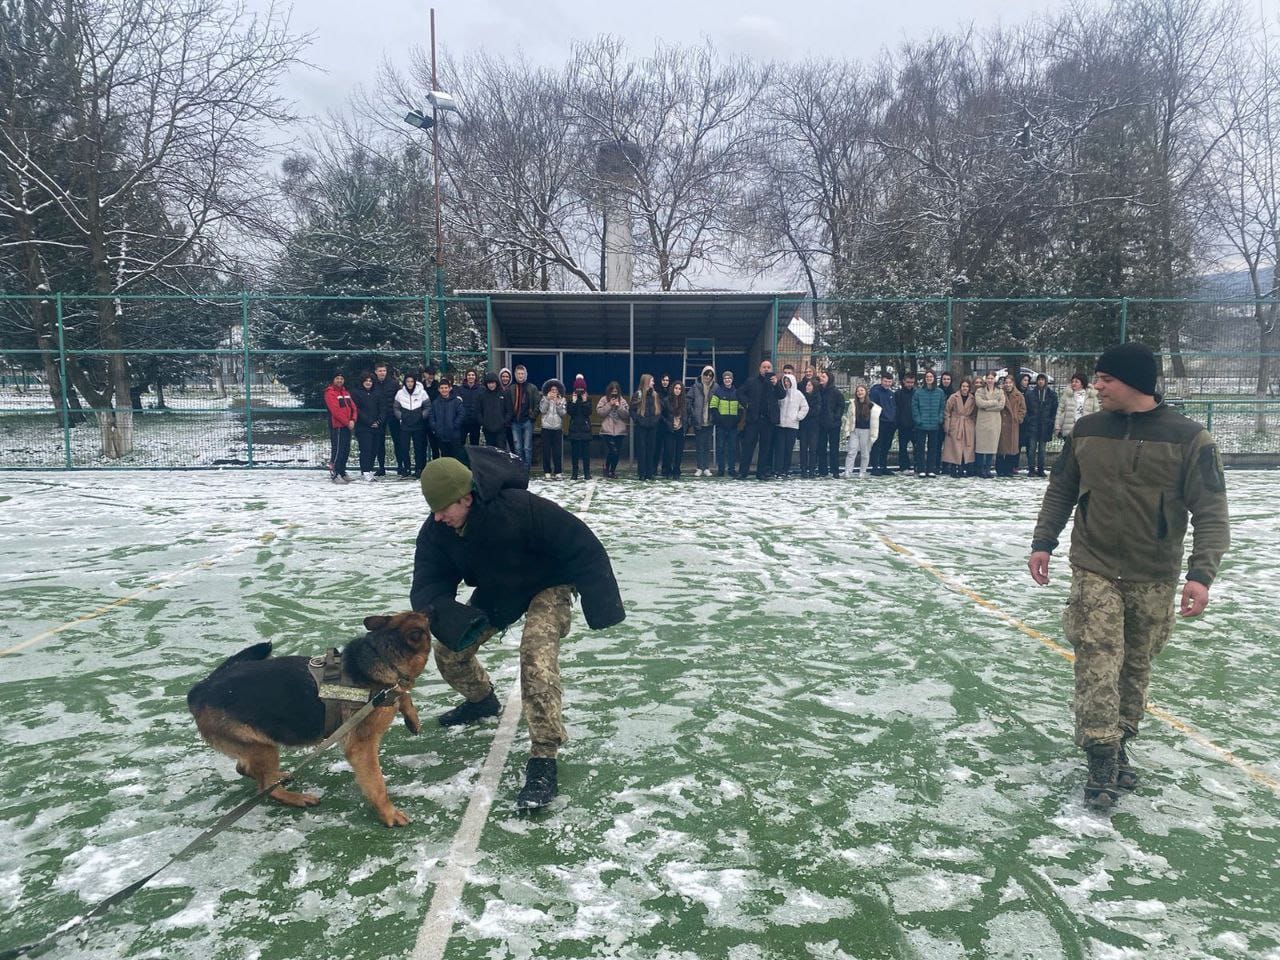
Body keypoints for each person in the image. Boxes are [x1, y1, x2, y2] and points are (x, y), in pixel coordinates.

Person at [1028, 342, 1230, 811]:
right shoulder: (1087, 430)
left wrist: (1201, 574)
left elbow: (1212, 511)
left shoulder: (1190, 438)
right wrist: (1043, 541)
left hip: (1153, 573)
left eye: (1106, 379)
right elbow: (1061, 489)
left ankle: (1120, 740)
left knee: (1135, 665)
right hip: (1094, 565)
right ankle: (1100, 755)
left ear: (1134, 382)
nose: (1096, 386)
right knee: (1097, 658)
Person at [412, 448, 626, 810]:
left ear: (466, 498)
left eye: (443, 508)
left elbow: (582, 543)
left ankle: (544, 759)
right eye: (433, 509)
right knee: (448, 651)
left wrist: (602, 604)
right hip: (501, 592)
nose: (437, 517)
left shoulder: (519, 507)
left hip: (549, 583)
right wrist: (449, 615)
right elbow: (428, 583)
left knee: (535, 657)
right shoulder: (437, 532)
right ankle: (482, 701)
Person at [738, 359, 785, 480]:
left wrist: (776, 384)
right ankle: (743, 472)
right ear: (760, 369)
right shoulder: (751, 381)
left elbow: (782, 395)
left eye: (768, 367)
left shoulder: (775, 383)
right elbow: (740, 393)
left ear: (771, 369)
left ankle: (761, 473)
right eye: (764, 367)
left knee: (765, 448)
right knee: (748, 446)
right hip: (753, 420)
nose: (766, 369)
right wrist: (747, 404)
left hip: (768, 421)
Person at [394, 373, 431, 478]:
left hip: (418, 424)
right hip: (405, 425)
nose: (410, 384)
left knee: (419, 448)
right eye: (408, 381)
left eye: (411, 381)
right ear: (405, 382)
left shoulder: (422, 392)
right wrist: (401, 417)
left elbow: (428, 407)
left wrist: (421, 416)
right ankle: (407, 468)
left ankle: (419, 469)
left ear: (415, 382)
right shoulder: (399, 393)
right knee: (404, 447)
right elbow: (396, 408)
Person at [775, 372, 809, 479]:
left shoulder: (798, 394)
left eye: (788, 381)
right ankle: (778, 470)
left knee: (788, 449)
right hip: (780, 425)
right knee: (780, 449)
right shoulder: (781, 393)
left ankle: (785, 470)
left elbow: (805, 407)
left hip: (792, 426)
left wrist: (798, 417)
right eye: (785, 381)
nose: (786, 383)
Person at [911, 370, 945, 477]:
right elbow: (914, 407)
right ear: (924, 379)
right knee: (920, 448)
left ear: (934, 378)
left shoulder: (940, 392)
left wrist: (940, 419)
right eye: (927, 377)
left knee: (933, 448)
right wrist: (918, 419)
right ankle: (921, 469)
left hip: (934, 424)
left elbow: (942, 407)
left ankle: (931, 469)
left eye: (931, 377)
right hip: (921, 425)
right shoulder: (918, 392)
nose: (929, 378)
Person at [323, 373, 356, 483]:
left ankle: (342, 471)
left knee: (346, 450)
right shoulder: (330, 393)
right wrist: (347, 422)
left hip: (347, 426)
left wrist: (353, 420)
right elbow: (335, 411)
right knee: (338, 450)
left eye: (341, 378)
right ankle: (335, 473)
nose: (340, 380)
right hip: (337, 426)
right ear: (333, 380)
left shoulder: (346, 392)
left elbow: (353, 408)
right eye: (337, 378)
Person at [841, 383, 879, 479]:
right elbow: (849, 419)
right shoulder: (853, 404)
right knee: (851, 451)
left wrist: (873, 434)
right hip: (854, 430)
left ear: (866, 392)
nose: (859, 392)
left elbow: (875, 421)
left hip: (866, 431)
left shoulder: (871, 405)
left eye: (862, 390)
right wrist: (847, 431)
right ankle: (848, 471)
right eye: (858, 391)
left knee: (865, 453)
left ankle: (862, 472)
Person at [1024, 373, 1058, 477]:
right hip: (1033, 425)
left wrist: (1051, 421)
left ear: (1045, 381)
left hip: (1045, 426)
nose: (1041, 381)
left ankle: (1041, 469)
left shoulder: (1052, 395)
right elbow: (1026, 409)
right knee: (1032, 449)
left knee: (1042, 450)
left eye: (1043, 380)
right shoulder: (1030, 394)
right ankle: (1031, 469)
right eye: (1039, 379)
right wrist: (1029, 419)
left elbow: (1054, 410)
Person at [508, 365, 541, 470]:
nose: (520, 376)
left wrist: (532, 417)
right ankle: (519, 469)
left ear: (525, 375)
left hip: (527, 421)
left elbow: (538, 404)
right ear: (515, 375)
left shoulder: (532, 388)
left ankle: (527, 470)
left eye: (522, 374)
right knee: (517, 448)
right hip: (515, 421)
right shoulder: (511, 388)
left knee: (527, 447)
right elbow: (508, 405)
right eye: (518, 374)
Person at [371, 362, 401, 477]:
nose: (382, 373)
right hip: (379, 417)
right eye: (380, 371)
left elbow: (398, 399)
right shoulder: (372, 383)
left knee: (397, 441)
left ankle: (400, 466)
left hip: (393, 416)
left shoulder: (393, 383)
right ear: (376, 372)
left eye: (384, 370)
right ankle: (381, 467)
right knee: (379, 442)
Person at [942, 377, 976, 476]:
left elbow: (974, 413)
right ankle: (954, 469)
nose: (965, 388)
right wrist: (947, 425)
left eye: (967, 386)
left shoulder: (972, 398)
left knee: (967, 447)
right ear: (960, 387)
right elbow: (947, 411)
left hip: (967, 424)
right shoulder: (953, 397)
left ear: (969, 388)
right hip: (955, 423)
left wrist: (972, 424)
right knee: (954, 447)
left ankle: (964, 468)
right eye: (963, 386)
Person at [350, 371, 381, 481]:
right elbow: (356, 410)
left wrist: (379, 421)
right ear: (362, 382)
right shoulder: (356, 393)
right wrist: (369, 422)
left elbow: (382, 408)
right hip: (363, 427)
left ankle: (370, 470)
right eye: (366, 381)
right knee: (365, 449)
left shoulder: (377, 393)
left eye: (370, 381)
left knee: (374, 449)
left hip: (376, 426)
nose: (368, 383)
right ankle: (365, 471)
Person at [631, 373, 662, 481]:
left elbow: (659, 411)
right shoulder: (638, 394)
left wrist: (655, 421)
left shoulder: (655, 395)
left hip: (652, 427)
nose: (653, 383)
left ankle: (650, 473)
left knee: (651, 450)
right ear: (646, 382)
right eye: (652, 381)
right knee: (641, 450)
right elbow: (632, 410)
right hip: (641, 427)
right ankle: (642, 473)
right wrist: (638, 420)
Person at [973, 372, 1004, 478]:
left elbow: (1001, 405)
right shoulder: (979, 391)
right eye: (988, 378)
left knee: (992, 446)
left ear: (995, 379)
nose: (990, 380)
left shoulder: (1000, 391)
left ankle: (988, 469)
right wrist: (994, 402)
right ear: (985, 379)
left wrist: (986, 407)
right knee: (981, 446)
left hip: (995, 422)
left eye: (992, 378)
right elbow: (979, 403)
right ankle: (980, 469)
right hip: (982, 422)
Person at [815, 369, 845, 478]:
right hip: (821, 423)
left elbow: (841, 405)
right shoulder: (818, 390)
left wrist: (836, 417)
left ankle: (835, 470)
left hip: (833, 424)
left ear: (829, 379)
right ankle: (822, 470)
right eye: (821, 377)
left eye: (824, 377)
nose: (821, 378)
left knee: (834, 448)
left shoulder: (836, 392)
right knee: (821, 448)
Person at [710, 369, 740, 477]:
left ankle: (732, 470)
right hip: (721, 426)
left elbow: (741, 408)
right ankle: (721, 470)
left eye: (729, 378)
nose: (727, 380)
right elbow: (713, 406)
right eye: (725, 378)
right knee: (720, 448)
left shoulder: (737, 392)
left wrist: (736, 419)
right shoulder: (718, 392)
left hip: (733, 426)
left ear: (732, 379)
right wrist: (719, 420)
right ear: (723, 380)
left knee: (732, 449)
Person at [596, 382, 629, 479]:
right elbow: (600, 412)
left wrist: (619, 407)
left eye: (616, 391)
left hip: (620, 431)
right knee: (613, 450)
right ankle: (607, 468)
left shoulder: (622, 400)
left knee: (617, 452)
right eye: (612, 391)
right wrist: (609, 404)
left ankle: (612, 471)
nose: (614, 393)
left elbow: (627, 415)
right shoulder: (603, 399)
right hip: (607, 430)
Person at [689, 365, 717, 477]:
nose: (708, 377)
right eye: (706, 374)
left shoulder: (716, 387)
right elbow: (688, 400)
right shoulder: (695, 386)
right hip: (698, 421)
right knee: (699, 446)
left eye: (710, 375)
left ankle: (706, 468)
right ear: (702, 374)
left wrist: (715, 416)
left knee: (707, 446)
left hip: (710, 420)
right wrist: (693, 414)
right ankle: (699, 467)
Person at [429, 376, 465, 459]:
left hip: (454, 436)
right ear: (439, 389)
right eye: (442, 388)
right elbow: (431, 416)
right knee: (445, 458)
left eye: (446, 388)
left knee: (456, 458)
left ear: (450, 388)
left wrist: (455, 425)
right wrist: (435, 427)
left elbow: (461, 414)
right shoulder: (435, 403)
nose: (444, 390)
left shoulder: (456, 401)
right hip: (441, 436)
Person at [996, 376, 1026, 477]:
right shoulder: (1000, 393)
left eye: (1010, 383)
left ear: (1013, 383)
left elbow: (1023, 409)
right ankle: (1000, 469)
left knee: (1011, 448)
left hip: (1013, 424)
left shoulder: (1018, 395)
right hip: (1001, 422)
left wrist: (1018, 418)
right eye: (1006, 383)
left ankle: (1008, 469)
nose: (1008, 385)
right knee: (1000, 448)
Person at [869, 371, 897, 476]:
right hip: (879, 423)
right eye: (885, 381)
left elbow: (894, 407)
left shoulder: (891, 394)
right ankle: (875, 467)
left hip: (890, 423)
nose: (887, 384)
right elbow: (872, 407)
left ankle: (883, 466)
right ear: (881, 381)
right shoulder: (875, 392)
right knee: (877, 445)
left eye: (889, 382)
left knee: (886, 446)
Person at [1056, 373, 1101, 439]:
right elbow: (1059, 411)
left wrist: (1095, 428)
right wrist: (1057, 427)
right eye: (1072, 381)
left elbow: (1097, 414)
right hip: (1068, 430)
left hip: (1086, 430)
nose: (1073, 383)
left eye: (1076, 382)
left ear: (1082, 383)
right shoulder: (1067, 395)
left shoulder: (1091, 396)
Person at [538, 378, 566, 478]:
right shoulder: (544, 398)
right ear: (548, 390)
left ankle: (558, 471)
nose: (554, 392)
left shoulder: (562, 400)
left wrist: (558, 404)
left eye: (556, 390)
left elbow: (563, 414)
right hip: (546, 428)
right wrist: (547, 400)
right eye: (552, 390)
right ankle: (547, 471)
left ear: (559, 391)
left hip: (557, 428)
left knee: (557, 451)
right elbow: (542, 410)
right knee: (546, 451)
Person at [566, 375, 592, 480]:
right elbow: (570, 412)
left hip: (585, 430)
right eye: (578, 389)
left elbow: (588, 413)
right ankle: (574, 473)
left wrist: (585, 402)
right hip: (574, 430)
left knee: (586, 454)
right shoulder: (572, 399)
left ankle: (587, 473)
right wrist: (573, 401)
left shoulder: (588, 399)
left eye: (582, 389)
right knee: (574, 454)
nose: (580, 391)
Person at [661, 380, 689, 479]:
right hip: (669, 429)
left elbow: (690, 414)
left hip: (681, 429)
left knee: (679, 452)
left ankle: (677, 470)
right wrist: (667, 423)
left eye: (679, 389)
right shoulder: (666, 400)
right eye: (676, 388)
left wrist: (687, 424)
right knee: (669, 451)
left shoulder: (685, 402)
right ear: (673, 389)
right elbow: (661, 415)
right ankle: (668, 470)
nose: (677, 390)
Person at [479, 371, 512, 450]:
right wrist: (483, 422)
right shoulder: (482, 395)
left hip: (501, 429)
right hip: (487, 429)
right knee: (490, 451)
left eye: (493, 383)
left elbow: (509, 410)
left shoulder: (503, 394)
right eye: (489, 383)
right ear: (486, 384)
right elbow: (478, 411)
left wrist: (504, 422)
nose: (491, 385)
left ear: (496, 383)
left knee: (501, 450)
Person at [798, 375, 822, 478]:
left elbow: (816, 411)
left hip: (814, 427)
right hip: (803, 426)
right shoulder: (802, 396)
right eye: (807, 385)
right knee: (803, 448)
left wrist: (805, 412)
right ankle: (803, 470)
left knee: (813, 449)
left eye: (809, 385)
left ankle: (812, 470)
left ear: (814, 387)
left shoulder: (818, 397)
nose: (807, 387)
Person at [894, 372, 917, 474]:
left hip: (915, 425)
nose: (910, 384)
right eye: (908, 382)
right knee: (902, 447)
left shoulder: (916, 393)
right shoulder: (898, 394)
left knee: (917, 447)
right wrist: (898, 422)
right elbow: (896, 409)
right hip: (903, 425)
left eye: (912, 382)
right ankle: (904, 467)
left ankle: (917, 465)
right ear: (903, 381)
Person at [420, 366, 442, 461]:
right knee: (421, 445)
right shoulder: (420, 386)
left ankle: (436, 465)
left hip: (433, 419)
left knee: (435, 445)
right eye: (429, 374)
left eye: (433, 374)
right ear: (424, 374)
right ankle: (421, 466)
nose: (431, 376)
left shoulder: (437, 386)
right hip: (421, 419)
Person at [458, 369, 483, 447]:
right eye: (469, 375)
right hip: (463, 422)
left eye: (472, 375)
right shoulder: (460, 389)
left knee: (474, 445)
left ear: (475, 377)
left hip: (475, 422)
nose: (471, 377)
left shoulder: (481, 389)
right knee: (460, 444)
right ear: (466, 377)